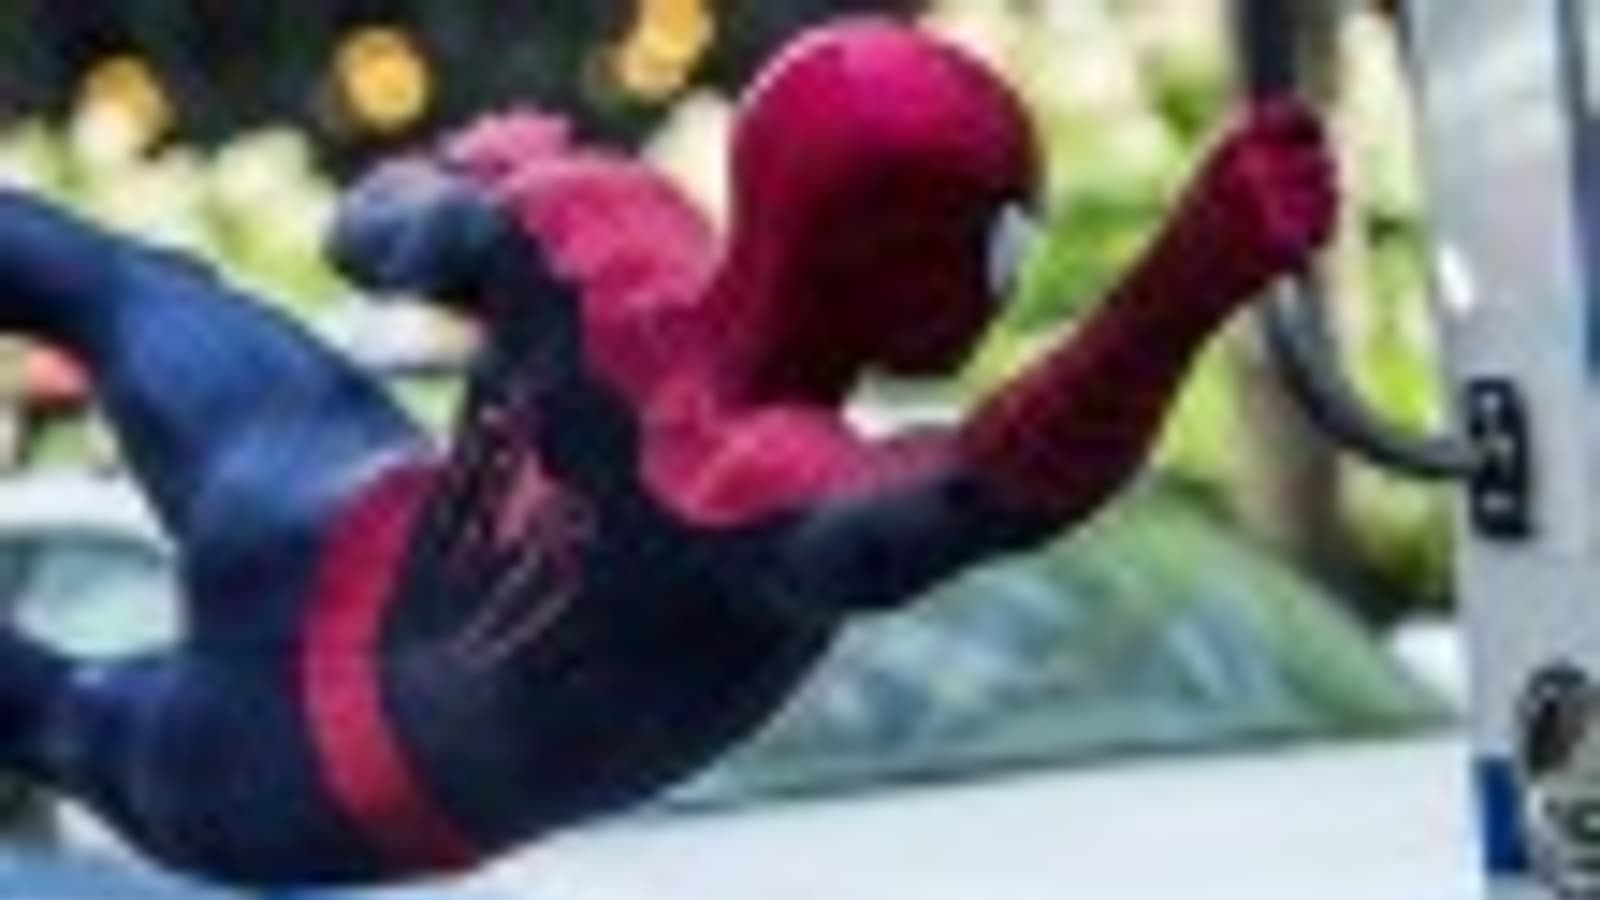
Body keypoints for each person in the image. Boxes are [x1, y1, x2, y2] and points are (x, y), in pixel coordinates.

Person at [0, 20, 1334, 887]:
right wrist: (1182, 285)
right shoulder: (754, 493)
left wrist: (475, 179)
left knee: (112, 286)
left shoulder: (597, 229)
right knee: (47, 712)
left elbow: (367, 231)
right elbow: (995, 487)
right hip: (337, 765)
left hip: (330, 508)